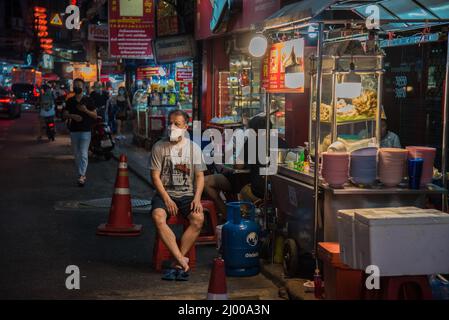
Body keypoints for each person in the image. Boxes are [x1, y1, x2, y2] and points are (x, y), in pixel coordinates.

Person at [150, 109, 205, 279]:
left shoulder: (193, 148)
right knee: (158, 217)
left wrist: (197, 198)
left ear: (186, 127)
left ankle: (177, 259)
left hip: (187, 195)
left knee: (198, 219)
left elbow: (200, 176)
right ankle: (182, 260)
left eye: (177, 124)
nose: (172, 127)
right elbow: (155, 177)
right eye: (171, 123)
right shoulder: (159, 146)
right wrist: (166, 199)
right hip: (165, 193)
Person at [63, 78, 97, 187]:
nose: (77, 86)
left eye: (79, 85)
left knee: (83, 153)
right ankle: (80, 173)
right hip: (74, 130)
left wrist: (85, 110)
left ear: (83, 87)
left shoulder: (88, 100)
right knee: (77, 154)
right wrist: (73, 116)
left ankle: (82, 175)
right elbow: (64, 114)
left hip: (86, 130)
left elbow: (95, 115)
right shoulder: (70, 101)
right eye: (75, 85)